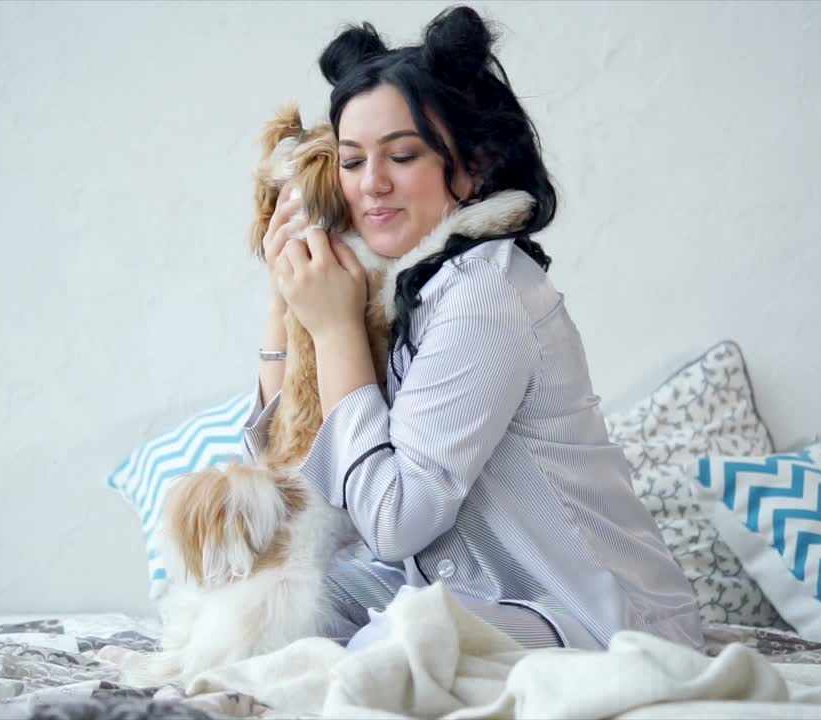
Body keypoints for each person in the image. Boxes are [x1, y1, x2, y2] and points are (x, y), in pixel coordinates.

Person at [241, 5, 703, 651]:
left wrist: (337, 329)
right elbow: (295, 485)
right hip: (466, 595)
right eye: (351, 161)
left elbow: (393, 522)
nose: (371, 184)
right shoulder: (408, 288)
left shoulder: (485, 293)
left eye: (402, 155)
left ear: (475, 164)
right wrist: (283, 303)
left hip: (589, 615)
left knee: (397, 644)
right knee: (264, 606)